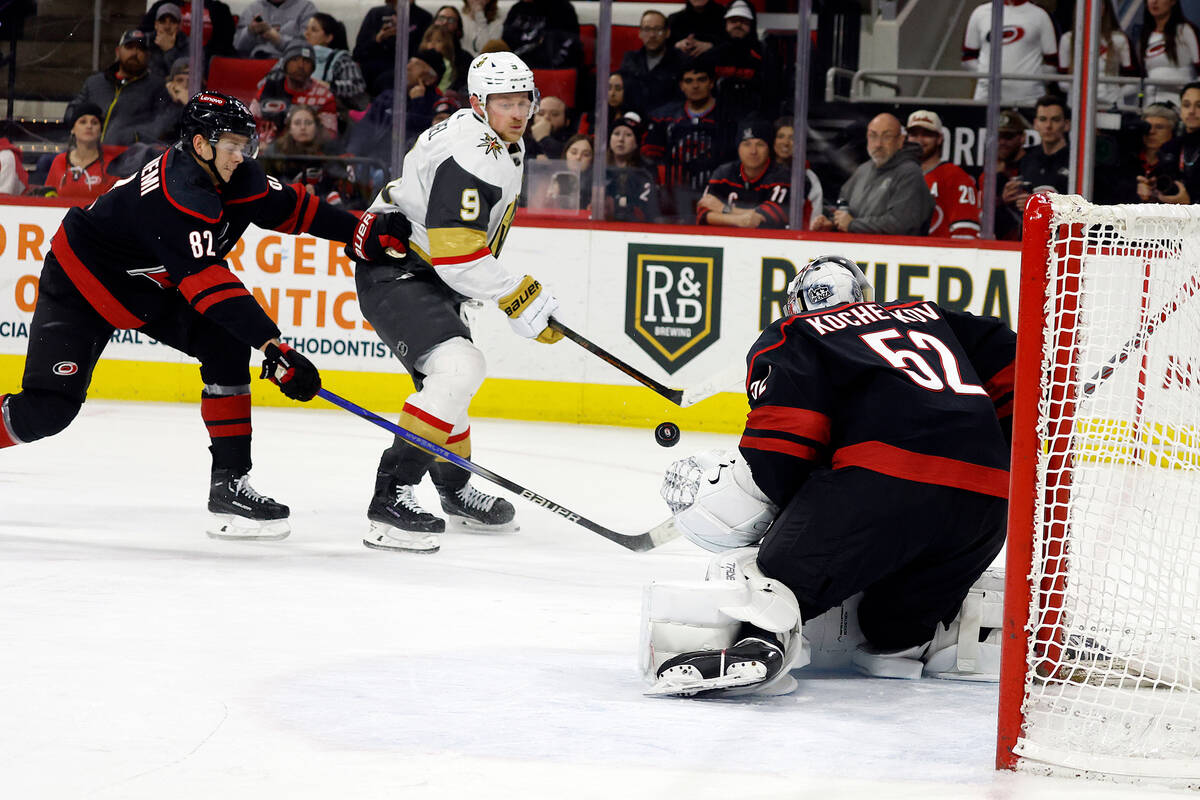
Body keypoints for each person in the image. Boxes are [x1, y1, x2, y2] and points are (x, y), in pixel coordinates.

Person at [0, 91, 409, 541]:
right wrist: (275, 346)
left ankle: (229, 484)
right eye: (232, 145)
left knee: (225, 343)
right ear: (199, 145)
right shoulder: (179, 196)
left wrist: (361, 233)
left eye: (245, 144)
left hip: (147, 285)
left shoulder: (237, 176)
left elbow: (294, 208)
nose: (242, 155)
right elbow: (209, 286)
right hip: (82, 286)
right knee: (47, 411)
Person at [643, 255, 1015, 697]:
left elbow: (782, 451)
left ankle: (764, 641)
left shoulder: (797, 332)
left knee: (773, 568)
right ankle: (916, 645)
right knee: (888, 626)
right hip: (988, 500)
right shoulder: (932, 315)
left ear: (796, 303)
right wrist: (993, 441)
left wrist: (795, 519)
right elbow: (1018, 363)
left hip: (882, 484)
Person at [349, 52, 564, 554]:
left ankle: (452, 486)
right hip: (400, 269)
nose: (517, 110)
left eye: (524, 99)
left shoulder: (498, 138)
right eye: (503, 101)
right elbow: (456, 251)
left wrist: (510, 295)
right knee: (458, 368)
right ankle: (390, 498)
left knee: (449, 380)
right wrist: (517, 296)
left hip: (430, 273)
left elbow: (460, 250)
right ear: (476, 103)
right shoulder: (474, 153)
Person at [811, 113, 933, 236]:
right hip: (860, 252)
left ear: (900, 141)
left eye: (887, 136)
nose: (878, 144)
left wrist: (852, 225)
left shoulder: (910, 173)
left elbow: (901, 224)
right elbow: (844, 210)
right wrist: (832, 224)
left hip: (894, 254)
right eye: (873, 136)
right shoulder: (863, 170)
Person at [642, 61, 734, 222]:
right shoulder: (664, 117)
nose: (695, 86)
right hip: (674, 200)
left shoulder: (728, 117)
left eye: (701, 79)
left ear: (712, 83)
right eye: (689, 81)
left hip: (715, 199)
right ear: (681, 86)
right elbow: (650, 160)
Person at [68, 30, 163, 146]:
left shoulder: (157, 86)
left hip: (131, 158)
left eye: (141, 49)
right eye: (129, 47)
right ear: (118, 51)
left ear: (148, 55)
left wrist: (133, 136)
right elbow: (71, 113)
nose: (135, 53)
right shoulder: (94, 83)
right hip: (90, 154)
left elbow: (162, 125)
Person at [696, 119, 790, 229]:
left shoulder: (781, 175)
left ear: (769, 148)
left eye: (760, 144)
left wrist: (723, 209)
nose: (753, 151)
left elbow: (767, 218)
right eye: (747, 144)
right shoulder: (723, 174)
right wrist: (738, 220)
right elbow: (702, 214)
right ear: (738, 148)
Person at [962, 0, 1058, 104]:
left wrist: (1031, 81)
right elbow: (968, 58)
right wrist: (986, 77)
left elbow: (1052, 64)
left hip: (1029, 99)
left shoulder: (1040, 16)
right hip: (987, 98)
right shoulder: (980, 13)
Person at [905, 109, 980, 240]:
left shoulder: (955, 176)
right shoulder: (901, 174)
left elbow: (966, 232)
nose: (919, 140)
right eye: (914, 134)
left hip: (940, 257)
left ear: (939, 139)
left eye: (926, 134)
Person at [252, 42, 338, 146]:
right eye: (295, 59)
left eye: (306, 61)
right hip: (263, 151)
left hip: (304, 152)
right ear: (285, 64)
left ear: (313, 68)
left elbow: (329, 136)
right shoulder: (269, 87)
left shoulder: (324, 96)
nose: (301, 65)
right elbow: (250, 122)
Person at [1058, 0, 1135, 108]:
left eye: (1099, 4)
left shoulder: (1119, 39)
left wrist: (1117, 95)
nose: (1091, 9)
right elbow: (1062, 82)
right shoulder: (1067, 39)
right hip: (1078, 106)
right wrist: (1079, 91)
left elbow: (1134, 80)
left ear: (1105, 8)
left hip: (1111, 106)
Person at [1003, 95, 1070, 217]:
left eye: (1055, 120)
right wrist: (1009, 199)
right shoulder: (1027, 159)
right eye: (1043, 119)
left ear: (1066, 124)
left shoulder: (1077, 161)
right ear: (1035, 124)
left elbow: (1088, 206)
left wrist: (1038, 206)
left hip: (1067, 234)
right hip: (1033, 233)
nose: (1048, 126)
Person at [43, 103, 124, 199]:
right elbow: (48, 199)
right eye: (83, 122)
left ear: (100, 131)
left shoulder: (112, 165)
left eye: (94, 123)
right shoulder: (59, 161)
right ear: (73, 129)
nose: (89, 126)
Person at [354, 0, 434, 95]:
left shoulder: (424, 18)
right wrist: (378, 39)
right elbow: (358, 53)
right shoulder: (375, 14)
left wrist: (403, 34)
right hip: (372, 80)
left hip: (405, 80)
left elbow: (422, 56)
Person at [709, 0, 772, 120]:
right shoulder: (713, 54)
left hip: (753, 117)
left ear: (751, 24)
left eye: (743, 21)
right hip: (716, 117)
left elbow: (771, 91)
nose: (738, 25)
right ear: (725, 23)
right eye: (733, 21)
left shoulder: (763, 54)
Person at [619, 10, 686, 117]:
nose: (652, 35)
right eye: (647, 29)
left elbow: (681, 100)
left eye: (658, 29)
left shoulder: (681, 60)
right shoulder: (630, 59)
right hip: (633, 120)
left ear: (667, 33)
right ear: (640, 33)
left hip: (667, 120)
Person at [298, 12, 368, 112]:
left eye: (313, 30)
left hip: (326, 112)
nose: (306, 34)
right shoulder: (295, 56)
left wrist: (327, 86)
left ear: (328, 38)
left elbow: (357, 87)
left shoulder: (340, 59)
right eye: (306, 29)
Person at [1136, 0, 1200, 103]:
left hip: (1182, 105)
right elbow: (1141, 77)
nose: (1154, 2)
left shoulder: (1185, 30)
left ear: (1173, 1)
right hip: (1152, 105)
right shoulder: (1145, 36)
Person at [981, 108, 1028, 241]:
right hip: (1000, 241)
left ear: (1022, 137)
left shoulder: (1033, 165)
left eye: (1008, 137)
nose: (1002, 142)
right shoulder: (989, 173)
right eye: (998, 137)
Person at [604, 113, 660, 223]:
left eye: (628, 135)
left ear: (636, 143)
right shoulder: (599, 166)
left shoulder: (646, 170)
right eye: (616, 133)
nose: (621, 139)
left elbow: (648, 209)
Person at [772, 117, 825, 230]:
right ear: (773, 141)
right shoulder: (759, 171)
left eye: (792, 138)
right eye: (781, 136)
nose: (786, 143)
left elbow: (813, 222)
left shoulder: (808, 178)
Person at [1153, 81, 1200, 203]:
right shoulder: (1170, 147)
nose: (1191, 111)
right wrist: (1150, 189)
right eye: (1186, 105)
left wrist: (1189, 204)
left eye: (1199, 105)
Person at [501, 0, 581, 70]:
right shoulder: (517, 9)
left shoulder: (563, 9)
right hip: (515, 67)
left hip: (550, 69)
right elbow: (506, 41)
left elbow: (568, 49)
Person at [1131, 102, 1182, 203]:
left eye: (1159, 127)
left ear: (1173, 131)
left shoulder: (1181, 161)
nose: (1151, 132)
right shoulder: (1129, 158)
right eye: (1147, 127)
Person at [233, 0, 316, 59]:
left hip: (289, 66)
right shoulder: (252, 9)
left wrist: (278, 39)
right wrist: (250, 32)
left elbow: (309, 49)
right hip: (253, 64)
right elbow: (237, 47)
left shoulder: (306, 9)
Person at [147, 3, 190, 79]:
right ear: (156, 25)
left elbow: (185, 77)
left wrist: (170, 51)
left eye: (173, 22)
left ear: (180, 25)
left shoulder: (189, 45)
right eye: (162, 22)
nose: (167, 27)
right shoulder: (146, 41)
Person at [528, 94, 573, 159]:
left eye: (554, 114)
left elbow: (567, 157)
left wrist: (544, 139)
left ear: (567, 122)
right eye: (541, 113)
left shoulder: (574, 140)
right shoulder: (520, 137)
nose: (546, 117)